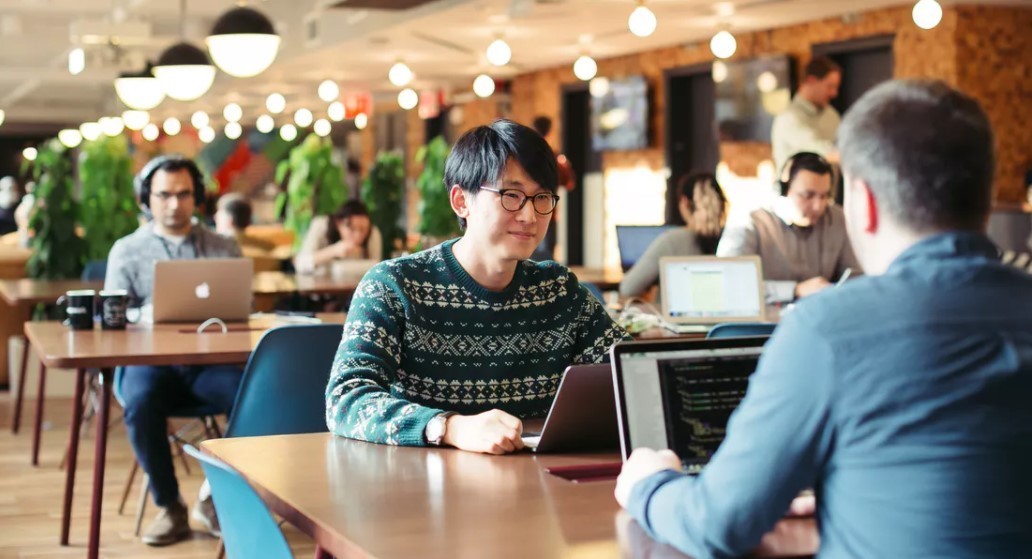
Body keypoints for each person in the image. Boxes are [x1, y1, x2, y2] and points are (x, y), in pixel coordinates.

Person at [616, 80, 1032, 557]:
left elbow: (718, 524)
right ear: (984, 195)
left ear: (863, 202)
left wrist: (648, 485)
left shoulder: (828, 330)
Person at [325, 119, 626, 455]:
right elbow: (346, 399)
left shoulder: (559, 292)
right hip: (423, 490)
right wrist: (450, 426)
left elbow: (631, 373)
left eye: (542, 197)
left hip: (540, 485)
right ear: (460, 201)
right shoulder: (393, 287)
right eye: (511, 195)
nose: (530, 215)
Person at [105, 155, 243, 546]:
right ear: (146, 198)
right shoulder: (126, 251)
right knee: (142, 400)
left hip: (209, 366)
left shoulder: (223, 247)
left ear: (196, 196)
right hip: (150, 365)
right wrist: (141, 314)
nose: (174, 204)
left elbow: (239, 310)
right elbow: (113, 320)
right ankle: (170, 506)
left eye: (184, 194)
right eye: (163, 195)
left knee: (251, 395)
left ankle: (213, 497)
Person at [716, 151, 859, 301]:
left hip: (820, 317)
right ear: (783, 190)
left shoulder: (838, 218)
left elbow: (856, 278)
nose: (819, 206)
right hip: (766, 322)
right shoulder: (749, 219)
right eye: (808, 195)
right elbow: (728, 281)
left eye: (824, 196)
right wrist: (795, 290)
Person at [619, 173, 727, 299]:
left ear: (684, 202)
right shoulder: (733, 238)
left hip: (673, 318)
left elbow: (628, 288)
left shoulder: (672, 240)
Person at [771, 56, 842, 172]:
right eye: (830, 86)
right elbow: (820, 152)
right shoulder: (789, 118)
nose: (834, 93)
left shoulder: (832, 115)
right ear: (811, 81)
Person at [530, 115, 575, 261]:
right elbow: (569, 182)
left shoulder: (522, 157)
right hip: (547, 211)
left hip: (523, 210)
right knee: (546, 257)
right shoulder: (554, 157)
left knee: (529, 254)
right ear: (549, 131)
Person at [294, 199, 382, 274]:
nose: (358, 235)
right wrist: (334, 250)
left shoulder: (373, 232)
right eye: (352, 228)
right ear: (338, 223)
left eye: (363, 229)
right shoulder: (321, 225)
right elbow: (300, 264)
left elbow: (376, 268)